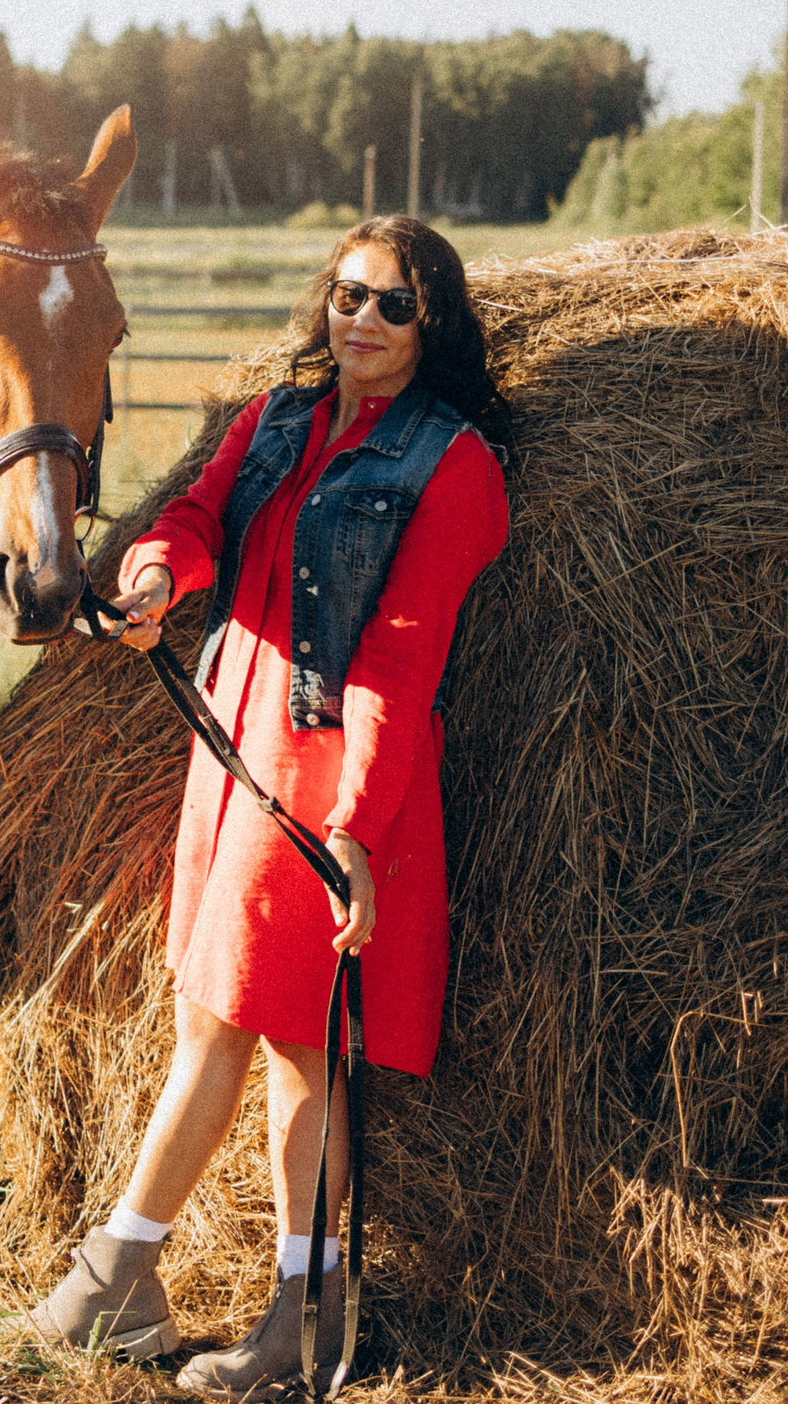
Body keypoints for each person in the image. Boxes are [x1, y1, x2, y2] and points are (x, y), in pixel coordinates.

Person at [26, 216, 511, 1395]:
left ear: (433, 323)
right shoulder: (280, 418)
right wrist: (155, 575)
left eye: (393, 304)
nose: (363, 320)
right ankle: (142, 1281)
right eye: (348, 294)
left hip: (321, 770)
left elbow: (398, 659)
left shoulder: (452, 467)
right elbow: (197, 518)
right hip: (231, 741)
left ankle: (268, 1312)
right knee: (220, 1015)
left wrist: (353, 825)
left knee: (292, 1039)